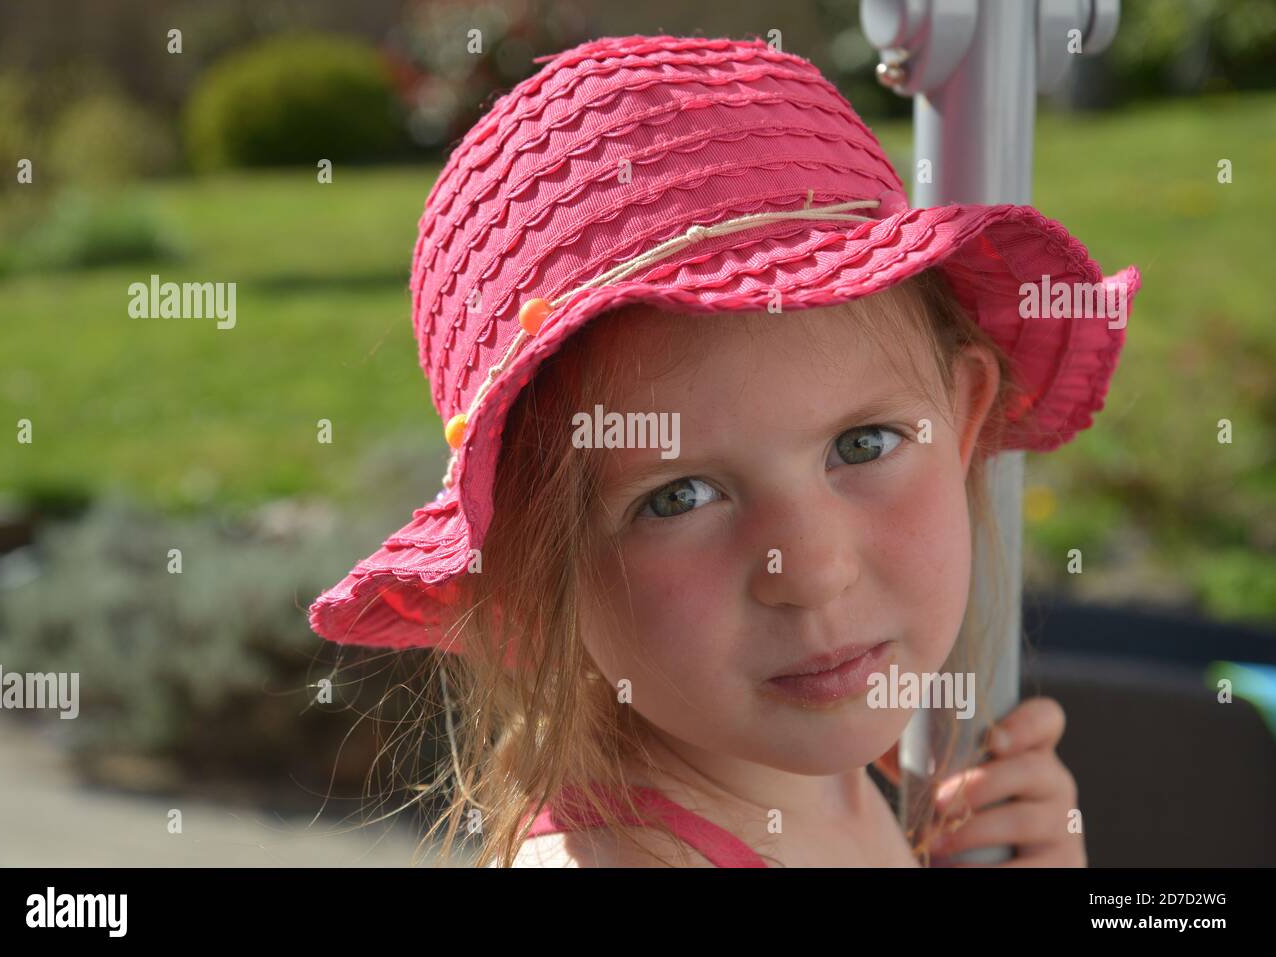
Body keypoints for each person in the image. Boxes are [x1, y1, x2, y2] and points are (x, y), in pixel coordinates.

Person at [308, 33, 1140, 867]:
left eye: (863, 443)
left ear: (962, 421)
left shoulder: (845, 778)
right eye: (679, 497)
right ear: (535, 572)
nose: (813, 570)